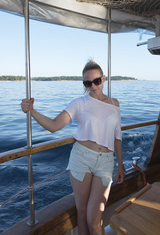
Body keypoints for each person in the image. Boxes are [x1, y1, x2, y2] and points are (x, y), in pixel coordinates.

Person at [21, 60, 124, 235]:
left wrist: (120, 164)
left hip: (106, 162)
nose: (92, 86)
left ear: (104, 78)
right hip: (82, 158)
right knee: (82, 213)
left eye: (96, 81)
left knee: (94, 221)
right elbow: (54, 126)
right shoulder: (79, 103)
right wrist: (32, 111)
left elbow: (117, 137)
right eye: (87, 83)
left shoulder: (115, 104)